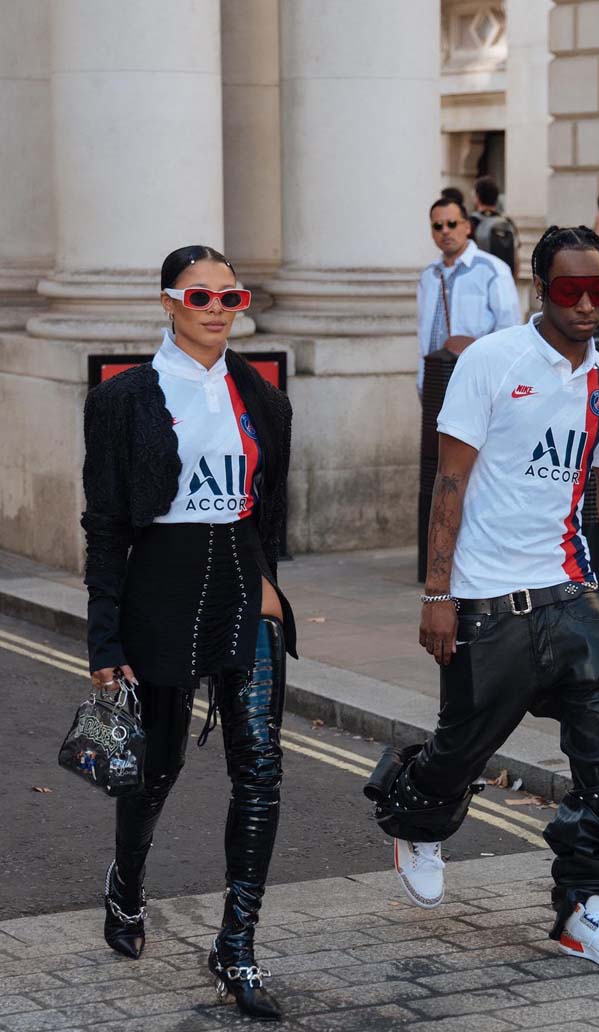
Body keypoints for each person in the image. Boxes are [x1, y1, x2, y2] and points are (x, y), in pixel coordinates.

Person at [366, 225, 599, 971]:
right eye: (572, 290)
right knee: (463, 745)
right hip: (487, 601)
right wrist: (438, 592)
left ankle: (590, 908)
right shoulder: (493, 362)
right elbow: (450, 480)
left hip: (571, 595)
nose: (589, 303)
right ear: (541, 289)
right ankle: (416, 814)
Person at [82, 244, 297, 1021]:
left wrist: (271, 582)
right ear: (169, 302)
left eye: (229, 298)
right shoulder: (125, 399)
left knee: (262, 770)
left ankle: (236, 948)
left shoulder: (261, 395)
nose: (216, 310)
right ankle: (127, 883)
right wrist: (105, 642)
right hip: (160, 593)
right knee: (157, 767)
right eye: (200, 297)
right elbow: (104, 527)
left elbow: (269, 504)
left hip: (244, 589)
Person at [417, 195, 521, 393]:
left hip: (477, 383)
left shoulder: (492, 270)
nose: (445, 230)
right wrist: (422, 380)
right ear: (432, 232)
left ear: (467, 227)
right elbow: (423, 335)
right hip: (435, 381)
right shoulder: (428, 276)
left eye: (452, 223)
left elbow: (510, 331)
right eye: (438, 226)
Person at [469, 175, 519, 276]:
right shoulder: (508, 222)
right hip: (503, 277)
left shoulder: (471, 222)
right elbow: (516, 258)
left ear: (477, 197)